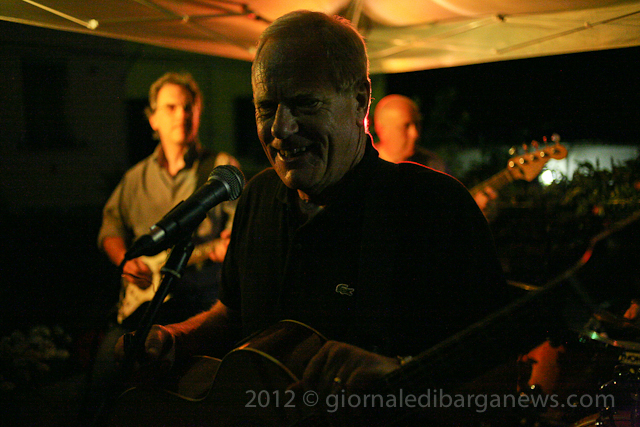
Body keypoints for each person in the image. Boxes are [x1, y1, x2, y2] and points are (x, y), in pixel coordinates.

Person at [114, 11, 517, 425]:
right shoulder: (258, 195)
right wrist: (174, 339)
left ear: (360, 99)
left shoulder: (434, 207)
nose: (280, 128)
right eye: (266, 107)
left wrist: (400, 375)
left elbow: (502, 378)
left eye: (305, 103)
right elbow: (234, 315)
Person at [85, 72, 240, 422]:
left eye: (188, 107)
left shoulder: (220, 168)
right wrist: (124, 261)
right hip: (144, 304)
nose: (181, 115)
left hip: (201, 304)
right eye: (170, 107)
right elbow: (111, 227)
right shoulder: (135, 178)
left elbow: (238, 228)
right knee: (105, 379)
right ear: (152, 118)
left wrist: (229, 245)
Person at [373, 93, 497, 212]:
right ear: (381, 129)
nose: (415, 134)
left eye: (417, 124)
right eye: (406, 126)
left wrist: (478, 213)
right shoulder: (366, 167)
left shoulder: (435, 165)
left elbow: (451, 211)